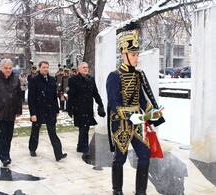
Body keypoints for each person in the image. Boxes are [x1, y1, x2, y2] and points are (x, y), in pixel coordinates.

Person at [106, 29, 165, 195]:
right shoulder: (114, 75)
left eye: (137, 55)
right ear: (124, 54)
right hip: (121, 123)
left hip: (138, 123)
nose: (136, 58)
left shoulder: (139, 75)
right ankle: (117, 191)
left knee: (144, 155)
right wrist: (129, 114)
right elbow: (113, 104)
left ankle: (141, 191)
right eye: (133, 55)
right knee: (120, 158)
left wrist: (151, 112)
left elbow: (142, 99)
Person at [28, 61, 67, 161]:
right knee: (35, 131)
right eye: (44, 67)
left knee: (53, 132)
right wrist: (33, 113)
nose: (46, 69)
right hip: (38, 111)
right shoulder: (34, 80)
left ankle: (58, 154)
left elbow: (54, 96)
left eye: (47, 67)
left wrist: (56, 109)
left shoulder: (51, 80)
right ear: (39, 68)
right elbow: (31, 98)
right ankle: (32, 149)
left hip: (50, 111)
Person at [67, 62, 106, 159]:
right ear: (79, 69)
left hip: (88, 108)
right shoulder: (73, 80)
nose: (86, 69)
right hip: (78, 109)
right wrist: (69, 109)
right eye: (83, 67)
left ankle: (80, 146)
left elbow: (95, 93)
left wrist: (100, 105)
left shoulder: (91, 79)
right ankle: (85, 149)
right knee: (83, 128)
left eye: (87, 67)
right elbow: (71, 95)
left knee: (85, 128)